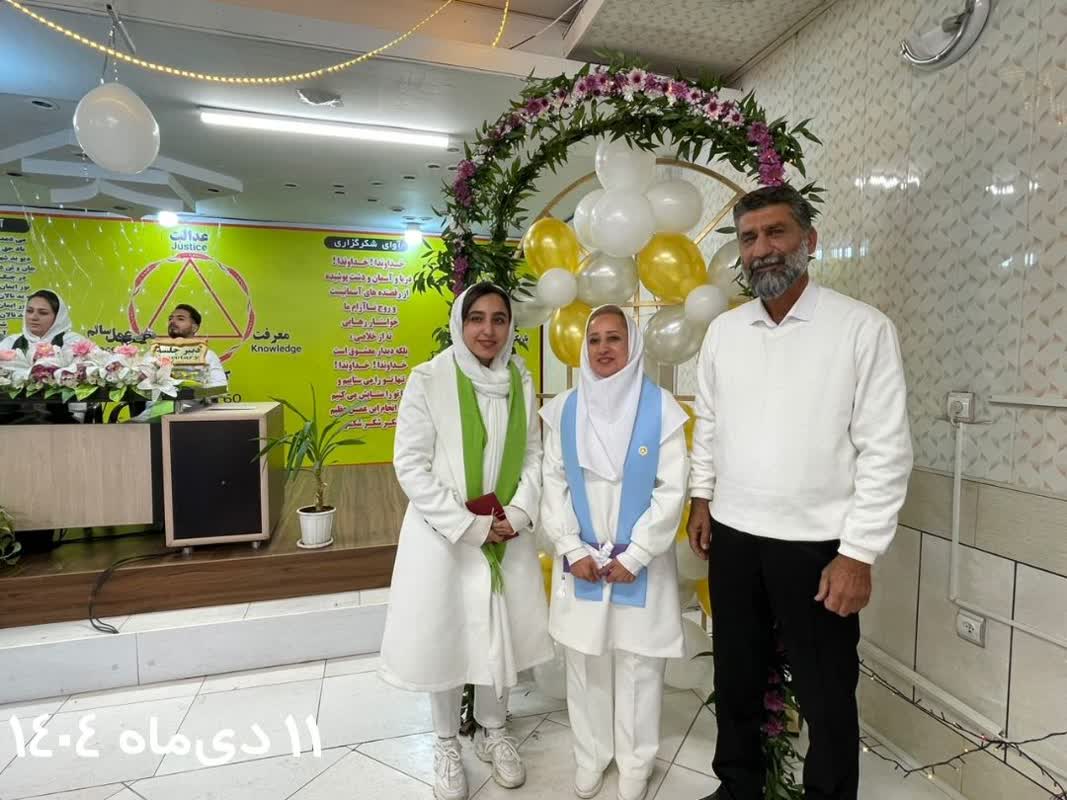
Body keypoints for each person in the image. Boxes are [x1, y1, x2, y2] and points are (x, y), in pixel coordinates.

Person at [687, 185, 913, 800]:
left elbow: (886, 449)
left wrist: (858, 553)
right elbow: (710, 424)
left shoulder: (861, 328)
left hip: (818, 546)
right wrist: (702, 497)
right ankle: (737, 788)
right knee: (736, 679)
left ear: (809, 241)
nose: (762, 248)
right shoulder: (725, 332)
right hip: (734, 536)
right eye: (749, 237)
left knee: (826, 693)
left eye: (776, 232)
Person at [378, 282, 552, 800]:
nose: (488, 330)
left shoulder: (519, 378)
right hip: (445, 537)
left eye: (499, 319)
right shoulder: (428, 379)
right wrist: (469, 525)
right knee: (446, 634)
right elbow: (410, 464)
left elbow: (534, 454)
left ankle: (494, 731)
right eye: (477, 318)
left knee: (500, 631)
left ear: (510, 326)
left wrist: (518, 512)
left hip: (506, 532)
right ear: (460, 323)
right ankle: (446, 742)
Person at [540, 305, 688, 800]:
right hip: (581, 559)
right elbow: (553, 484)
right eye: (595, 339)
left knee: (639, 664)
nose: (603, 348)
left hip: (639, 561)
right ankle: (590, 755)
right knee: (585, 662)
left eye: (614, 338)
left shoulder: (661, 407)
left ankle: (635, 762)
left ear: (633, 345)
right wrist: (569, 546)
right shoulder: (564, 408)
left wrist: (637, 553)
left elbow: (673, 488)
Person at [0, 289, 86, 352]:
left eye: (43, 313)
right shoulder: (10, 342)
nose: (33, 317)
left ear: (58, 317)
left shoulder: (73, 342)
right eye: (29, 311)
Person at [165, 304, 227, 388]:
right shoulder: (155, 353)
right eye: (170, 318)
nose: (172, 321)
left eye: (180, 319)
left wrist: (191, 385)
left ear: (194, 327)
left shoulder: (207, 355)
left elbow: (220, 386)